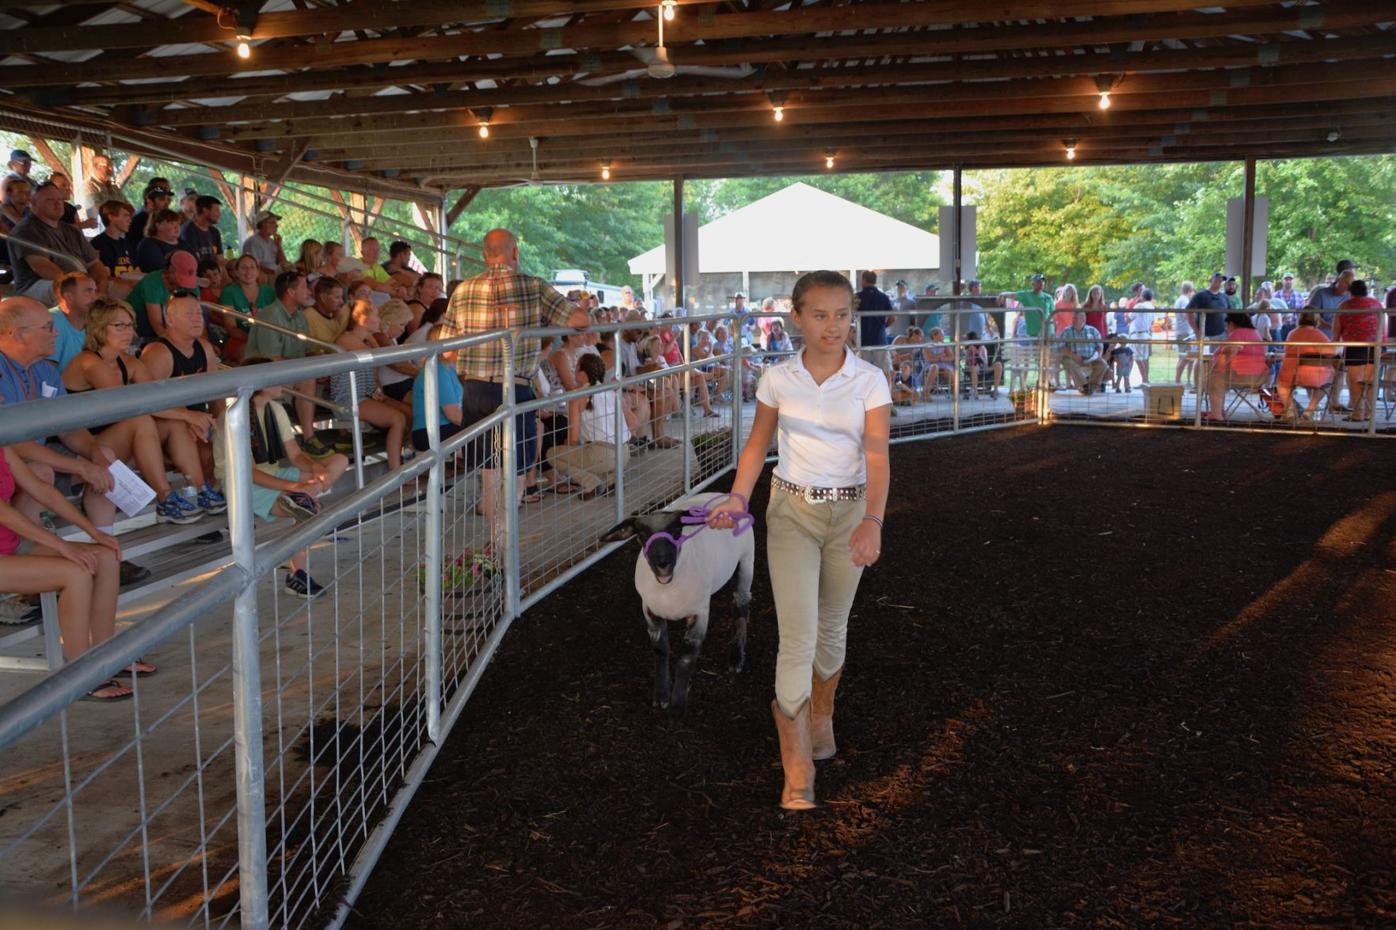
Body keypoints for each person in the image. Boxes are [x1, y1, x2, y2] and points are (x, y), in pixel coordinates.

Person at [706, 269, 890, 811]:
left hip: (850, 512)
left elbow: (877, 458)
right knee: (798, 636)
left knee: (833, 628)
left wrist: (873, 521)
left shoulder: (869, 381)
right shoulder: (778, 378)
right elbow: (756, 444)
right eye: (819, 315)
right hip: (790, 512)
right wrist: (738, 498)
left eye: (841, 314)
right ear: (797, 318)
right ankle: (797, 764)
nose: (832, 326)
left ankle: (822, 716)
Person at [442, 228, 589, 542]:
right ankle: (504, 539)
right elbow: (579, 321)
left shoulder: (463, 289)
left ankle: (495, 539)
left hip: (476, 389)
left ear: (484, 254)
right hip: (516, 386)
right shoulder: (532, 286)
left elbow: (447, 348)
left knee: (489, 466)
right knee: (519, 468)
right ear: (515, 253)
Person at [65, 297, 223, 520]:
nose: (128, 332)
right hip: (82, 446)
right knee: (141, 420)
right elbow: (130, 405)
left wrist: (186, 418)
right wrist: (188, 414)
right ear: (99, 329)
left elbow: (157, 396)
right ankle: (165, 498)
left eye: (130, 325)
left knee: (174, 422)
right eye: (119, 326)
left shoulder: (127, 361)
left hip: (113, 440)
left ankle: (199, 489)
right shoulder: (89, 362)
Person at [0, 439, 134, 698]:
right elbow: (4, 513)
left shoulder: (3, 444)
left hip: (9, 546)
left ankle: (103, 656)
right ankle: (79, 675)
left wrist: (93, 532)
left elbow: (41, 490)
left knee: (106, 556)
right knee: (76, 573)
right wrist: (61, 545)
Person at [211, 359, 349, 597]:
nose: (283, 381)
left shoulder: (276, 409)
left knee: (339, 461)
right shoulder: (234, 415)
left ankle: (300, 500)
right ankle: (297, 574)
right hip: (242, 483)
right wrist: (292, 486)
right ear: (260, 382)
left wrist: (315, 468)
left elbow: (295, 454)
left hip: (273, 475)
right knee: (303, 506)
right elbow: (250, 472)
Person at [244, 270, 330, 454]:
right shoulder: (270, 315)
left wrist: (322, 362)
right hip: (264, 373)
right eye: (304, 287)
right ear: (290, 292)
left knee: (323, 371)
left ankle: (346, 430)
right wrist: (306, 367)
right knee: (307, 379)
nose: (309, 291)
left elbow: (307, 351)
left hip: (290, 371)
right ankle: (309, 437)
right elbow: (270, 358)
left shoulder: (300, 316)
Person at [547, 351, 640, 499]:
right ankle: (613, 480)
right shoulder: (613, 393)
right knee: (596, 451)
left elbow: (573, 439)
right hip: (624, 454)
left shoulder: (576, 397)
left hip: (602, 455)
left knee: (552, 454)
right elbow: (634, 423)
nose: (573, 372)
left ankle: (592, 483)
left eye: (576, 369)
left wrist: (572, 452)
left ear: (583, 374)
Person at [5, 180, 109, 305]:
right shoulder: (26, 230)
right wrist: (79, 285)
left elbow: (94, 264)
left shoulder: (71, 230)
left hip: (81, 281)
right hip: (38, 284)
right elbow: (42, 267)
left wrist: (102, 288)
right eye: (50, 200)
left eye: (60, 200)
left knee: (124, 288)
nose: (58, 204)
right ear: (33, 203)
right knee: (75, 294)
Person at [333, 300, 408, 470]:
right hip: (349, 399)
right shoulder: (346, 340)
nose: (380, 320)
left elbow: (374, 370)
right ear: (363, 319)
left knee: (410, 413)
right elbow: (379, 356)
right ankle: (396, 471)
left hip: (366, 395)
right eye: (376, 316)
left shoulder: (366, 339)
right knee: (398, 419)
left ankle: (409, 459)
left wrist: (377, 390)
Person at [409, 325, 467, 452]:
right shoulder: (439, 370)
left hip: (441, 429)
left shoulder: (447, 368)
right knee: (487, 437)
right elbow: (453, 415)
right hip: (430, 432)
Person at [1268, 312, 1336, 419]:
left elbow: (1287, 350)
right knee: (1327, 383)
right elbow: (1331, 352)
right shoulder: (1319, 335)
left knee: (1282, 386)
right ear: (1317, 321)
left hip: (1291, 375)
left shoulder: (1292, 334)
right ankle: (1310, 409)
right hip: (1316, 377)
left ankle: (1290, 410)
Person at [1202, 312, 1267, 422]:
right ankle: (1217, 410)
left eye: (1227, 325)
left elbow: (1230, 351)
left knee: (1215, 379)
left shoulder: (1238, 334)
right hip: (1259, 376)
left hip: (1241, 375)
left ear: (1231, 323)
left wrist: (1217, 369)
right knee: (1217, 378)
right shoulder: (1255, 333)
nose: (1226, 328)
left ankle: (1216, 414)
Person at [1333, 280, 1383, 422]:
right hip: (1375, 345)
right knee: (1370, 381)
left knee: (1355, 381)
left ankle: (1358, 412)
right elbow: (1381, 325)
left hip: (1354, 345)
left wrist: (1335, 344)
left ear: (1350, 291)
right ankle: (1368, 412)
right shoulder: (1376, 304)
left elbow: (1336, 329)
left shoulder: (1344, 305)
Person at [126, 249, 198, 343]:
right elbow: (157, 323)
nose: (183, 284)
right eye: (181, 278)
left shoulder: (192, 284)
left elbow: (197, 316)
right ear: (171, 269)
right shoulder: (152, 282)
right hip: (141, 326)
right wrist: (175, 345)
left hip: (168, 324)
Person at [216, 253, 276, 363]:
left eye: (252, 267)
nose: (248, 271)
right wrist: (255, 340)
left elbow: (276, 321)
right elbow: (231, 327)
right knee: (251, 357)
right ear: (237, 272)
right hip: (240, 341)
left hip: (267, 340)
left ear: (258, 271)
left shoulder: (269, 292)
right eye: (243, 268)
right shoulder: (229, 292)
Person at [48, 271, 98, 371]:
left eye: (94, 291)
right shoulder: (50, 321)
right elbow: (48, 372)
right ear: (69, 297)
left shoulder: (96, 320)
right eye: (88, 291)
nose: (95, 297)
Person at [1057, 311, 1107, 394]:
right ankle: (1084, 386)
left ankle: (1091, 386)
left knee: (1103, 364)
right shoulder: (1067, 331)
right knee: (1066, 361)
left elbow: (1100, 345)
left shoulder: (1093, 330)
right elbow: (1061, 347)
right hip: (1073, 359)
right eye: (1073, 318)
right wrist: (1073, 356)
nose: (1073, 320)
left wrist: (1098, 355)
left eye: (1075, 318)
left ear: (1083, 319)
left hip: (1091, 358)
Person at [92, 200, 137, 285]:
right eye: (126, 216)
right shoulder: (99, 244)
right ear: (111, 217)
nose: (130, 220)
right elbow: (104, 277)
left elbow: (136, 269)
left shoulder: (126, 243)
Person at [998, 272, 1053, 340]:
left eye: (1043, 281)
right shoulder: (1026, 295)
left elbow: (1053, 315)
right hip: (1034, 334)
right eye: (1039, 281)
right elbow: (1013, 295)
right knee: (1035, 350)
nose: (1042, 283)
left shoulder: (1048, 298)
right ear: (1033, 283)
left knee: (1048, 350)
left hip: (1048, 333)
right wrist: (1002, 294)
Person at [178, 195, 224, 270]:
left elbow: (220, 259)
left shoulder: (214, 232)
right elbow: (193, 261)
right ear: (205, 211)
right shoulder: (188, 230)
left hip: (213, 274)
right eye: (216, 210)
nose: (219, 214)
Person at [126, 180, 173, 251]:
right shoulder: (137, 221)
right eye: (162, 199)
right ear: (149, 201)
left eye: (167, 199)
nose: (166, 203)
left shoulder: (162, 218)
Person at [304, 275, 350, 348]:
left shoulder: (337, 312)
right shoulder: (308, 317)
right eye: (337, 297)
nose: (341, 302)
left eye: (341, 297)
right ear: (323, 297)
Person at [133, 208, 182, 274]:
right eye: (171, 223)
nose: (177, 227)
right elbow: (159, 272)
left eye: (178, 223)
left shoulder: (183, 243)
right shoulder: (148, 244)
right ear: (158, 225)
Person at [241, 210, 286, 278]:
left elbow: (283, 262)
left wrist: (279, 246)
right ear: (263, 224)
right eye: (273, 222)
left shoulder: (272, 242)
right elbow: (255, 266)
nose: (277, 226)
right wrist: (275, 273)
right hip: (264, 277)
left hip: (275, 275)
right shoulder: (253, 242)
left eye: (276, 223)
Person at [80, 154, 128, 218]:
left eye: (111, 165)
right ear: (95, 167)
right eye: (107, 165)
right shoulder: (88, 187)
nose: (111, 169)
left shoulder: (114, 188)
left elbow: (129, 207)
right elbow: (94, 212)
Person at [1187, 272, 1231, 342]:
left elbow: (1230, 315)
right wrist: (1197, 332)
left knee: (1221, 353)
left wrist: (1229, 330)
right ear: (1211, 281)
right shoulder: (1200, 295)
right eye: (1216, 280)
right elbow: (1189, 312)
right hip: (1205, 336)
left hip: (1222, 335)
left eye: (1221, 281)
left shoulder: (1224, 297)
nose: (1219, 282)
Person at [1127, 287, 1157, 385]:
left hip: (1138, 335)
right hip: (1146, 334)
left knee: (1138, 358)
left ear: (1142, 296)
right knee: (1145, 358)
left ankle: (1144, 380)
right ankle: (1145, 379)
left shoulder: (1140, 305)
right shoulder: (1152, 307)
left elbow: (1129, 318)